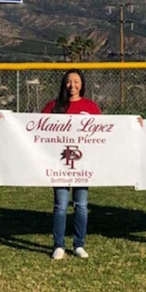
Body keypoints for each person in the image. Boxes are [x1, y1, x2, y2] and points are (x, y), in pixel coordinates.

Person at [42, 69, 101, 260]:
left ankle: (78, 244)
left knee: (81, 205)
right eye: (68, 82)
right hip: (59, 164)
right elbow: (35, 127)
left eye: (76, 82)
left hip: (83, 165)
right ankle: (59, 245)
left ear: (82, 84)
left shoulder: (90, 107)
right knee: (60, 205)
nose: (72, 86)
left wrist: (134, 123)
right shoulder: (53, 106)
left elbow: (106, 132)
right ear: (63, 84)